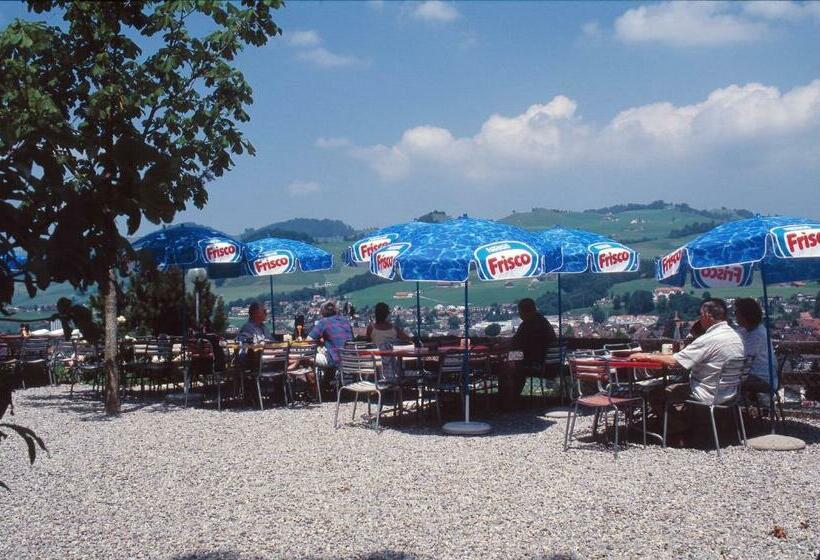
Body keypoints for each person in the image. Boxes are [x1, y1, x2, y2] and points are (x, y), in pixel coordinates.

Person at [631, 298, 744, 436]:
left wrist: (646, 356)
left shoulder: (708, 339)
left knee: (656, 394)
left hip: (707, 393)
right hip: (730, 392)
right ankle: (688, 424)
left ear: (707, 316)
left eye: (700, 315)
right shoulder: (735, 336)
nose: (699, 319)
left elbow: (675, 361)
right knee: (675, 386)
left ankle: (678, 428)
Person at [500, 298, 557, 409]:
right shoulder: (543, 322)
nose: (520, 315)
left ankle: (507, 402)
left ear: (524, 311)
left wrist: (505, 352)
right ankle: (512, 400)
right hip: (551, 364)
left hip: (536, 363)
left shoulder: (528, 325)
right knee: (510, 363)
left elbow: (517, 344)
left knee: (505, 367)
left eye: (520, 312)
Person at [734, 297, 777, 392]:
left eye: (736, 313)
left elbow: (742, 357)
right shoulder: (748, 330)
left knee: (727, 381)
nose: (735, 315)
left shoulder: (758, 335)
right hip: (754, 375)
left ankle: (727, 405)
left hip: (763, 379)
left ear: (745, 315)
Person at [307, 301, 353, 368]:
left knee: (306, 358)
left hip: (336, 360)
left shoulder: (324, 322)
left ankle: (306, 378)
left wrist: (318, 342)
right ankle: (327, 378)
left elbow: (309, 340)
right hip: (351, 359)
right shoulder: (345, 320)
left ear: (323, 312)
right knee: (330, 353)